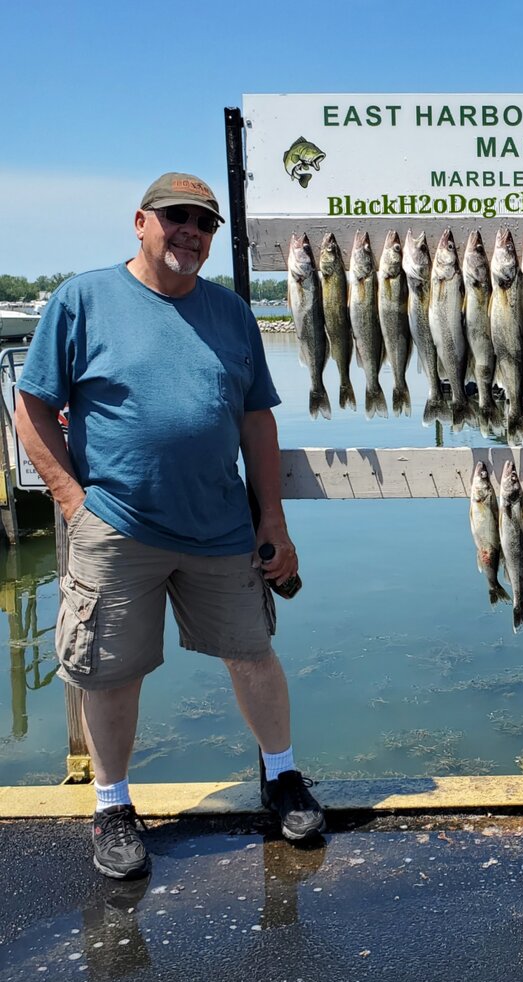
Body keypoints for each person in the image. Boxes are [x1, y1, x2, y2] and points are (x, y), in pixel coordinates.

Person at [15, 172, 325, 881]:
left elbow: (257, 420)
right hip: (117, 525)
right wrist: (72, 501)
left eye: (205, 222)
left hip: (220, 525)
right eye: (176, 216)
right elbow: (31, 408)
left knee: (254, 654)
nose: (191, 231)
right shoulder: (82, 299)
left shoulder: (232, 312)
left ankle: (282, 777)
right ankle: (113, 806)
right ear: (140, 222)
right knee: (110, 671)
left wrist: (272, 516)